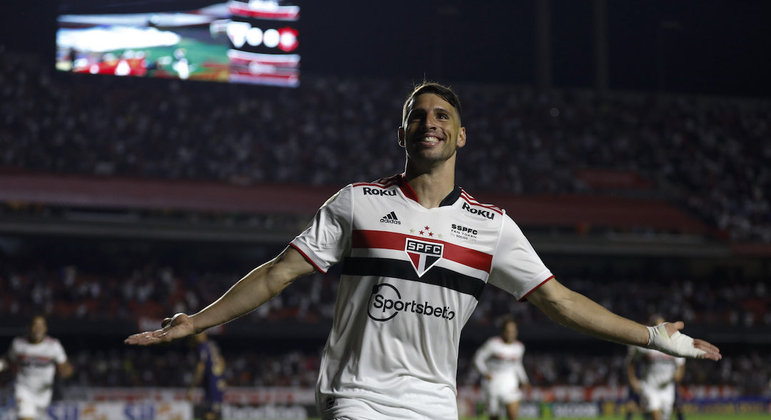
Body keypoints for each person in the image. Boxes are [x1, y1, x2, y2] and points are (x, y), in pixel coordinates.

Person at [125, 81, 721, 420]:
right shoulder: (356, 202)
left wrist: (653, 336)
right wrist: (196, 323)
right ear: (403, 133)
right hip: (356, 399)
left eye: (442, 115)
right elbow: (277, 275)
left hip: (436, 405)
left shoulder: (493, 228)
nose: (429, 122)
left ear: (461, 135)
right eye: (417, 116)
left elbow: (561, 303)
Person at [0, 315, 73, 420]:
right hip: (23, 388)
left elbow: (65, 366)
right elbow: (9, 360)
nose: (38, 328)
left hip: (44, 391)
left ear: (45, 328)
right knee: (26, 416)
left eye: (41, 325)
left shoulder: (53, 346)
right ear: (29, 327)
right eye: (35, 325)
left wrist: (66, 371)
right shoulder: (18, 343)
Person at [626, 316, 686, 420]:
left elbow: (681, 362)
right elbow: (631, 361)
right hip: (650, 387)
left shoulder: (673, 345)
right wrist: (633, 380)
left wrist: (679, 373)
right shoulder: (645, 345)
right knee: (656, 416)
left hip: (667, 388)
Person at [473, 318, 531, 420]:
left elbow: (517, 365)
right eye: (508, 331)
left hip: (510, 382)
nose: (510, 334)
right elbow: (478, 359)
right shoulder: (492, 344)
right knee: (494, 416)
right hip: (493, 382)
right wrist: (485, 372)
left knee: (513, 415)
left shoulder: (519, 347)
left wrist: (524, 380)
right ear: (502, 332)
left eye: (513, 331)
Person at [187, 332, 226, 420]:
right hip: (219, 382)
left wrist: (192, 388)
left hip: (212, 383)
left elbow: (200, 367)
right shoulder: (212, 345)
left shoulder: (202, 346)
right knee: (214, 412)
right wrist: (221, 377)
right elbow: (222, 361)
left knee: (209, 414)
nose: (196, 336)